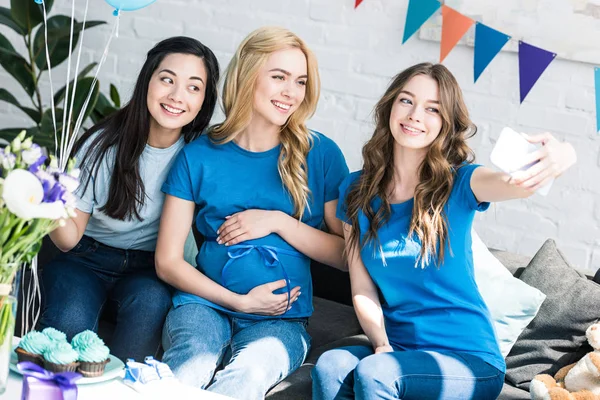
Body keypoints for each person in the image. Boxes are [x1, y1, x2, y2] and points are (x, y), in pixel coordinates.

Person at [311, 62, 577, 400]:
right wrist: (381, 344)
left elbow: (515, 184)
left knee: (377, 373)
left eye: (432, 108)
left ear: (446, 123)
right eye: (406, 101)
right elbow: (362, 287)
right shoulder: (356, 189)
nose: (415, 115)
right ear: (390, 107)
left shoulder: (461, 183)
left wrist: (562, 154)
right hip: (400, 350)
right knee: (331, 366)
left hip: (469, 359)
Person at [155, 26, 349, 399]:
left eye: (300, 82)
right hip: (204, 305)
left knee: (246, 378)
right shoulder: (200, 154)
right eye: (279, 77)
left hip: (281, 320)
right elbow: (167, 261)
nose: (291, 92)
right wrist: (239, 302)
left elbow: (346, 256)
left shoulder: (321, 154)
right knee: (189, 367)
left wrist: (278, 221)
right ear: (247, 76)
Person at [38, 36, 220, 362]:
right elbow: (67, 240)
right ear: (147, 81)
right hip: (84, 258)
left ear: (204, 99)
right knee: (68, 326)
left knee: (150, 307)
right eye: (167, 80)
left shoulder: (200, 156)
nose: (177, 96)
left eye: (194, 87)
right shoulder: (102, 145)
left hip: (148, 268)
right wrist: (50, 195)